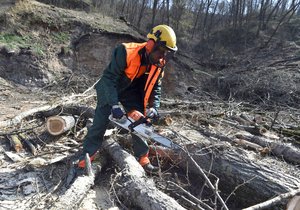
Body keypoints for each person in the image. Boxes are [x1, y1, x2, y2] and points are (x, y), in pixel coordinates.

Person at [78, 25, 178, 172]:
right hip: (110, 88)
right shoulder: (126, 51)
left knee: (140, 122)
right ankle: (87, 156)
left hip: (132, 92)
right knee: (100, 122)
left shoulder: (159, 64)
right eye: (162, 52)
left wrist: (154, 107)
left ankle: (143, 157)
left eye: (167, 54)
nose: (163, 57)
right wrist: (114, 105)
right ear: (151, 45)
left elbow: (156, 87)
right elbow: (109, 79)